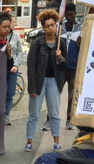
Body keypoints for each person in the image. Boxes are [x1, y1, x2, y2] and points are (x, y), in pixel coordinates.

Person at [25, 9, 67, 152]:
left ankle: (57, 142)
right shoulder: (37, 43)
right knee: (34, 113)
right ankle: (29, 141)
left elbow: (65, 65)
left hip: (54, 81)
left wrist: (60, 58)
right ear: (43, 28)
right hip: (39, 82)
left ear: (56, 26)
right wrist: (32, 88)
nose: (50, 28)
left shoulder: (62, 43)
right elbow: (31, 65)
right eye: (47, 26)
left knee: (54, 113)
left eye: (52, 25)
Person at [61, 3, 82, 130]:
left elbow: (85, 47)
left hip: (74, 68)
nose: (69, 17)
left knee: (71, 96)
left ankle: (69, 119)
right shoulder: (60, 27)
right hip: (61, 67)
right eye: (67, 14)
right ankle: (49, 119)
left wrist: (81, 44)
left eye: (71, 14)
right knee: (55, 94)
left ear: (75, 14)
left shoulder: (81, 28)